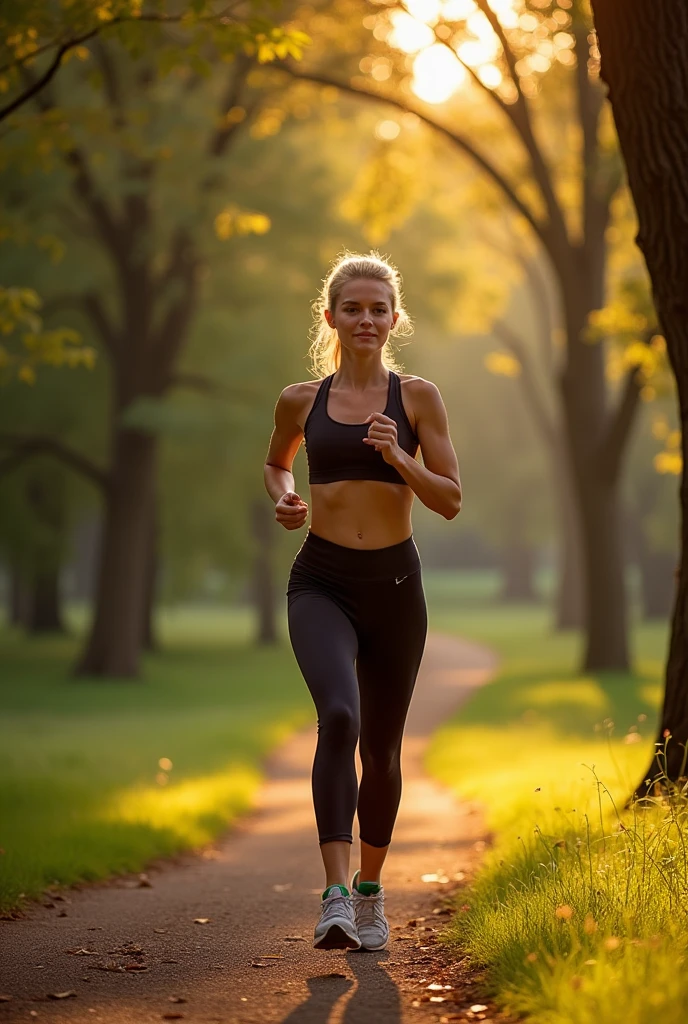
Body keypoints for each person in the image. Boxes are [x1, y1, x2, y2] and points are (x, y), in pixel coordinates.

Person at [263, 251, 461, 952]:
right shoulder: (300, 399)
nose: (367, 319)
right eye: (354, 308)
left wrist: (400, 458)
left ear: (394, 318)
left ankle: (372, 896)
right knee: (339, 716)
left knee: (381, 750)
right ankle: (335, 896)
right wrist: (287, 499)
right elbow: (277, 461)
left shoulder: (417, 399)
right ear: (332, 318)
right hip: (321, 579)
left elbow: (451, 501)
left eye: (379, 308)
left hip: (396, 589)